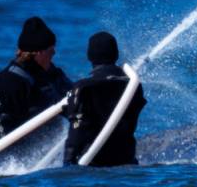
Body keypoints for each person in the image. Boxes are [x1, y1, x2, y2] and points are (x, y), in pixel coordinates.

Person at [63, 31, 147, 167]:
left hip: (92, 163)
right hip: (126, 160)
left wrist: (68, 162)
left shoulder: (83, 88)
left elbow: (76, 129)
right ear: (116, 55)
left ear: (90, 56)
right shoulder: (134, 86)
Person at [0, 16, 73, 144]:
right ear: (39, 53)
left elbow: (71, 94)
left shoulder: (52, 73)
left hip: (50, 139)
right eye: (51, 49)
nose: (54, 52)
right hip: (16, 147)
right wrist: (14, 155)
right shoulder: (9, 82)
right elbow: (1, 127)